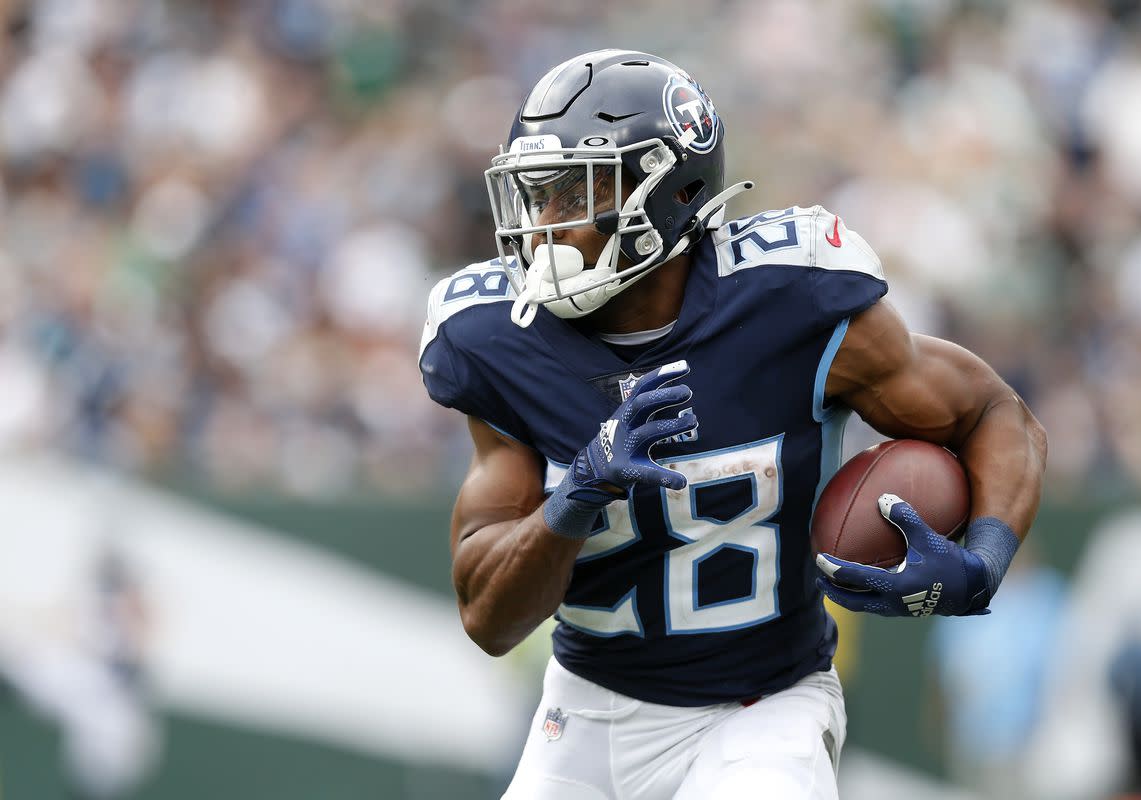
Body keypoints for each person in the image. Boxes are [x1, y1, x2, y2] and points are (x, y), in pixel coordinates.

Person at [418, 49, 1047, 799]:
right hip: (589, 707)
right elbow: (488, 618)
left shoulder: (792, 303)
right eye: (537, 196)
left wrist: (985, 558)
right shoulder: (496, 340)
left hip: (764, 706)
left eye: (574, 193)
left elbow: (993, 411)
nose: (545, 224)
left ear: (670, 189)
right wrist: (574, 497)